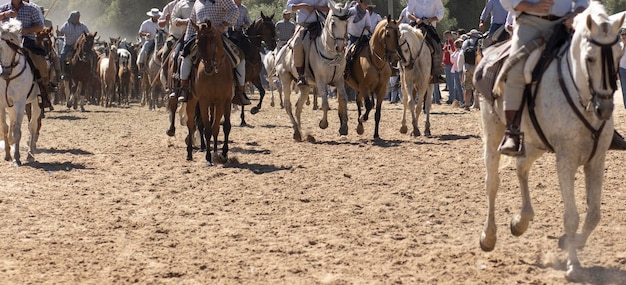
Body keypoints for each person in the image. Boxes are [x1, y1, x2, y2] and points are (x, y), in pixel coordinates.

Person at [497, 0, 588, 156]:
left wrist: (576, 13)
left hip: (566, 25)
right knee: (516, 72)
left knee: (593, 63)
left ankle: (598, 126)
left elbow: (583, 1)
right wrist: (531, 6)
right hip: (530, 24)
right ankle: (512, 131)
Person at [178, 0, 250, 105]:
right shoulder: (197, 2)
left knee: (239, 57)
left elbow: (234, 11)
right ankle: (184, 87)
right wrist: (187, 39)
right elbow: (192, 21)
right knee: (186, 56)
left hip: (219, 36)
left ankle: (240, 91)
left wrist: (223, 24)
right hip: (201, 37)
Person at [0, 0, 52, 109]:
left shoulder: (31, 8)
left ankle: (43, 91)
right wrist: (5, 14)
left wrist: (26, 30)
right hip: (6, 41)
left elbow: (39, 26)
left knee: (40, 61)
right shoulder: (4, 8)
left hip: (26, 40)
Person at [285, 0, 330, 86]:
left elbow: (331, 8)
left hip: (322, 24)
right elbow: (289, 8)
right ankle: (301, 74)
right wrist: (304, 6)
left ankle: (338, 71)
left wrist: (319, 8)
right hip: (303, 25)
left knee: (337, 40)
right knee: (297, 44)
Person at [406, 0, 445, 84]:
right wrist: (416, 19)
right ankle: (400, 69)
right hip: (415, 25)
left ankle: (436, 73)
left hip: (429, 26)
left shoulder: (436, 1)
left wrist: (430, 19)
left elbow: (440, 14)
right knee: (402, 41)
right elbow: (408, 13)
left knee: (437, 45)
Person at [166, 0, 194, 98]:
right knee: (176, 56)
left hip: (201, 36)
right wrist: (185, 21)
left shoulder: (204, 3)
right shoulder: (180, 4)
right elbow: (174, 20)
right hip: (185, 36)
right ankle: (177, 87)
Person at [458, 29, 480, 111]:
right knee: (478, 87)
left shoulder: (465, 43)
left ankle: (467, 105)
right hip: (477, 67)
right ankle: (478, 105)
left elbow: (462, 55)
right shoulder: (480, 42)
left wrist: (461, 68)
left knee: (467, 88)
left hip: (467, 67)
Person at [137, 8, 162, 77]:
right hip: (150, 40)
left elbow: (165, 31)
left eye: (157, 16)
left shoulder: (161, 23)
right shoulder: (146, 23)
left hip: (160, 42)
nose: (156, 17)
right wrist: (146, 34)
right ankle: (141, 68)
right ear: (151, 16)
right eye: (154, 16)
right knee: (143, 51)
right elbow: (140, 33)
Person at [619, 28, 626, 109]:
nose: (624, 36)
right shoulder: (619, 45)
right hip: (622, 69)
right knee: (625, 89)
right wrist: (624, 45)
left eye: (625, 34)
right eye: (622, 34)